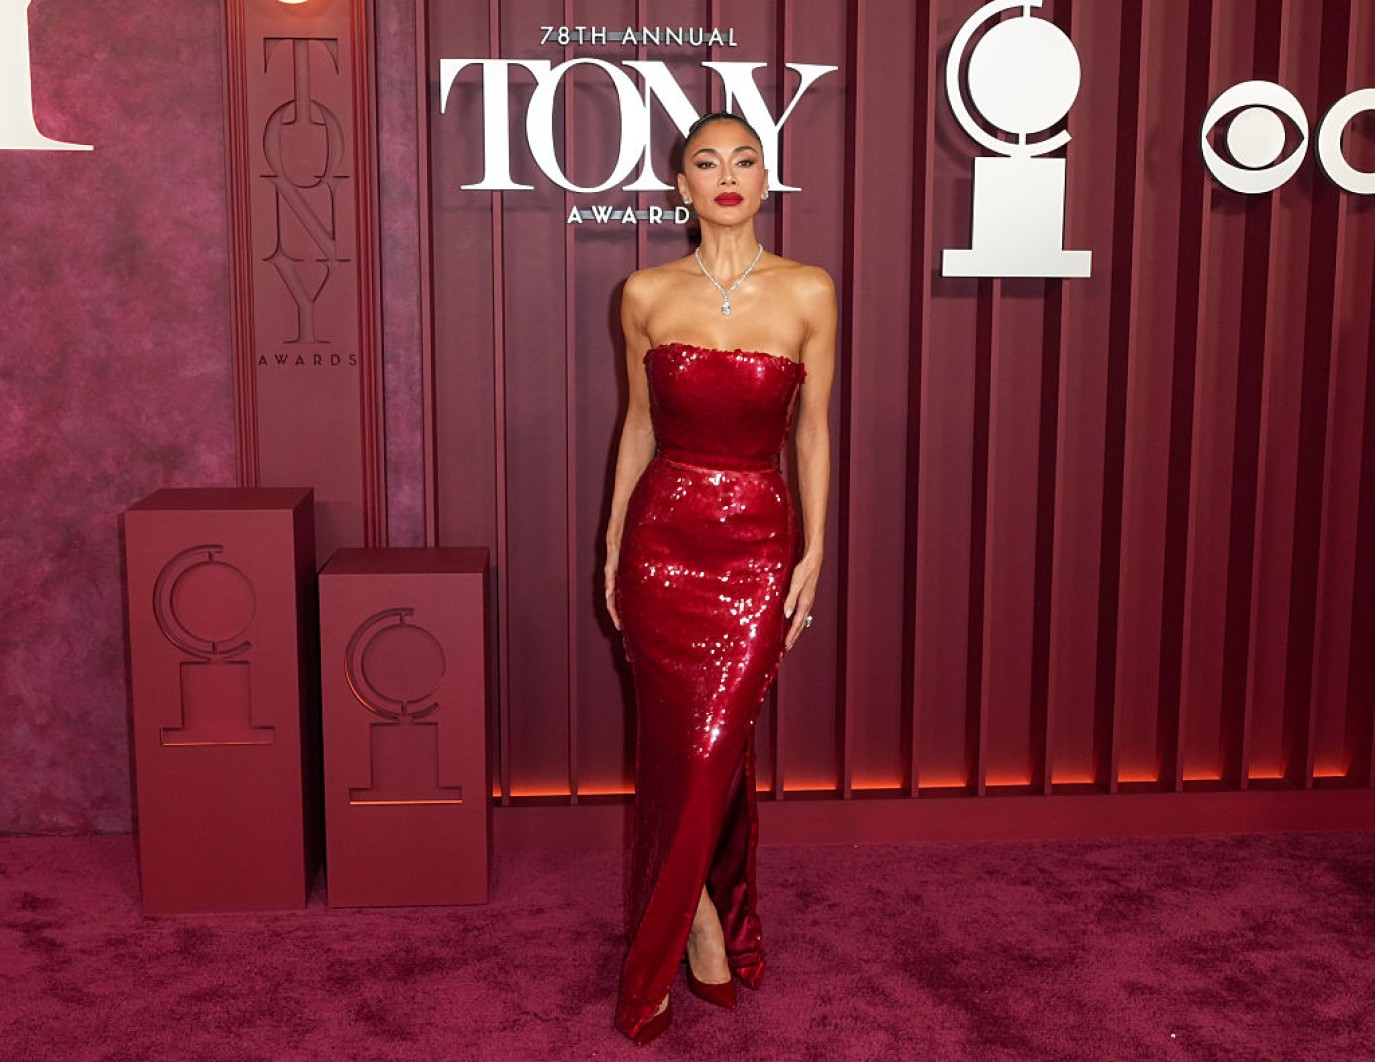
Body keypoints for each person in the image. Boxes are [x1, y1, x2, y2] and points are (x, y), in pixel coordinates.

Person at [602, 111, 836, 1045]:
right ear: (682, 186)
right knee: (677, 749)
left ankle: (698, 917)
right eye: (707, 161)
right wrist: (612, 546)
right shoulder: (644, 293)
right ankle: (700, 919)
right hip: (662, 541)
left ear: (766, 178)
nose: (727, 174)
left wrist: (814, 548)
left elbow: (812, 431)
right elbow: (637, 425)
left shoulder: (808, 290)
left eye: (744, 159)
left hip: (757, 544)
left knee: (711, 749)